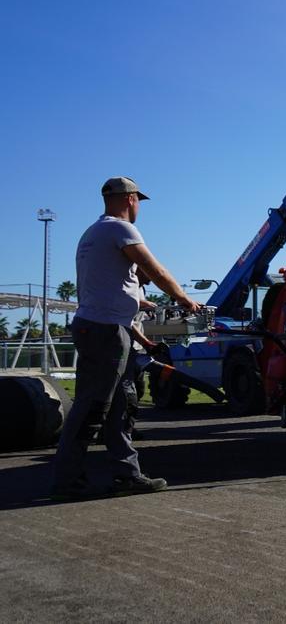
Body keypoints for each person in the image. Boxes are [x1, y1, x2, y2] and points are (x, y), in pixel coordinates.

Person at [49, 176, 201, 500]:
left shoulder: (92, 233)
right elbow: (154, 269)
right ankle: (67, 482)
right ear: (131, 199)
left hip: (100, 325)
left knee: (120, 407)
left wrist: (138, 301)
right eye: (137, 202)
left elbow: (106, 284)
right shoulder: (121, 229)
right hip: (105, 331)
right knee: (92, 407)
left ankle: (127, 475)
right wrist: (184, 299)